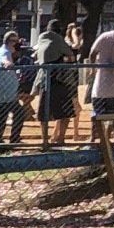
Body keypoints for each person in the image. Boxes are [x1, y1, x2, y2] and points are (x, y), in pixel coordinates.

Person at [0, 27, 30, 148]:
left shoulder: (0, 51)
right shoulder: (4, 52)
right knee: (18, 113)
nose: (17, 44)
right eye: (15, 41)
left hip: (3, 91)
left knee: (1, 116)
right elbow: (4, 61)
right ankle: (11, 139)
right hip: (5, 92)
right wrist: (9, 64)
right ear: (10, 42)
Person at [38, 18, 78, 147]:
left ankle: (45, 140)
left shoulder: (41, 38)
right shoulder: (57, 38)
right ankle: (60, 139)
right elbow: (72, 54)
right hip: (59, 79)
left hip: (44, 79)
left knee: (43, 112)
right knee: (66, 111)